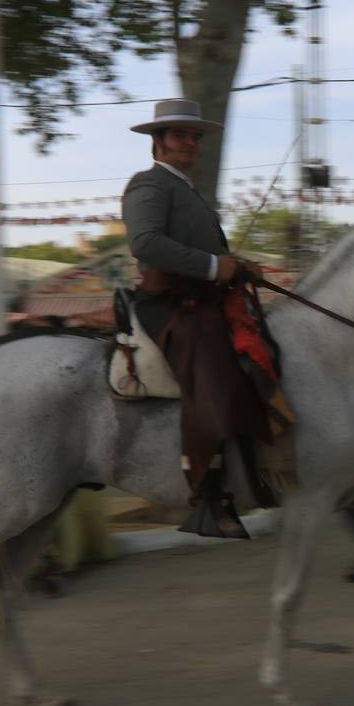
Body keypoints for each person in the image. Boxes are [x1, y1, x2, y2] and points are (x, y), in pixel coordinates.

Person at [121, 98, 273, 539]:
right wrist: (213, 266)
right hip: (168, 304)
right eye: (180, 135)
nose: (190, 142)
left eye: (195, 136)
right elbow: (146, 243)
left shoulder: (187, 191)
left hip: (203, 298)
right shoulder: (148, 184)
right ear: (157, 142)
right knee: (214, 366)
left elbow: (207, 257)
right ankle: (210, 492)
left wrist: (237, 265)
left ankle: (255, 468)